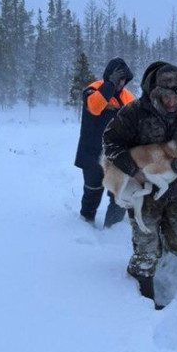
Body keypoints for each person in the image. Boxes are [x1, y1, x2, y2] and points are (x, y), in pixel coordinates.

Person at [102, 62, 177, 309]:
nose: (171, 102)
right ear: (155, 92)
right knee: (146, 251)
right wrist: (133, 170)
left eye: (176, 96)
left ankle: (165, 245)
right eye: (165, 96)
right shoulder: (135, 112)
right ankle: (145, 295)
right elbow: (111, 143)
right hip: (144, 192)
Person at [74, 57, 135, 228]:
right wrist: (109, 85)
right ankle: (86, 222)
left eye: (123, 80)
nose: (121, 84)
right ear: (109, 76)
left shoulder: (128, 98)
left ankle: (112, 229)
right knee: (92, 190)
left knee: (119, 194)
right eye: (118, 80)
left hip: (118, 155)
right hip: (92, 152)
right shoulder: (92, 91)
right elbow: (94, 108)